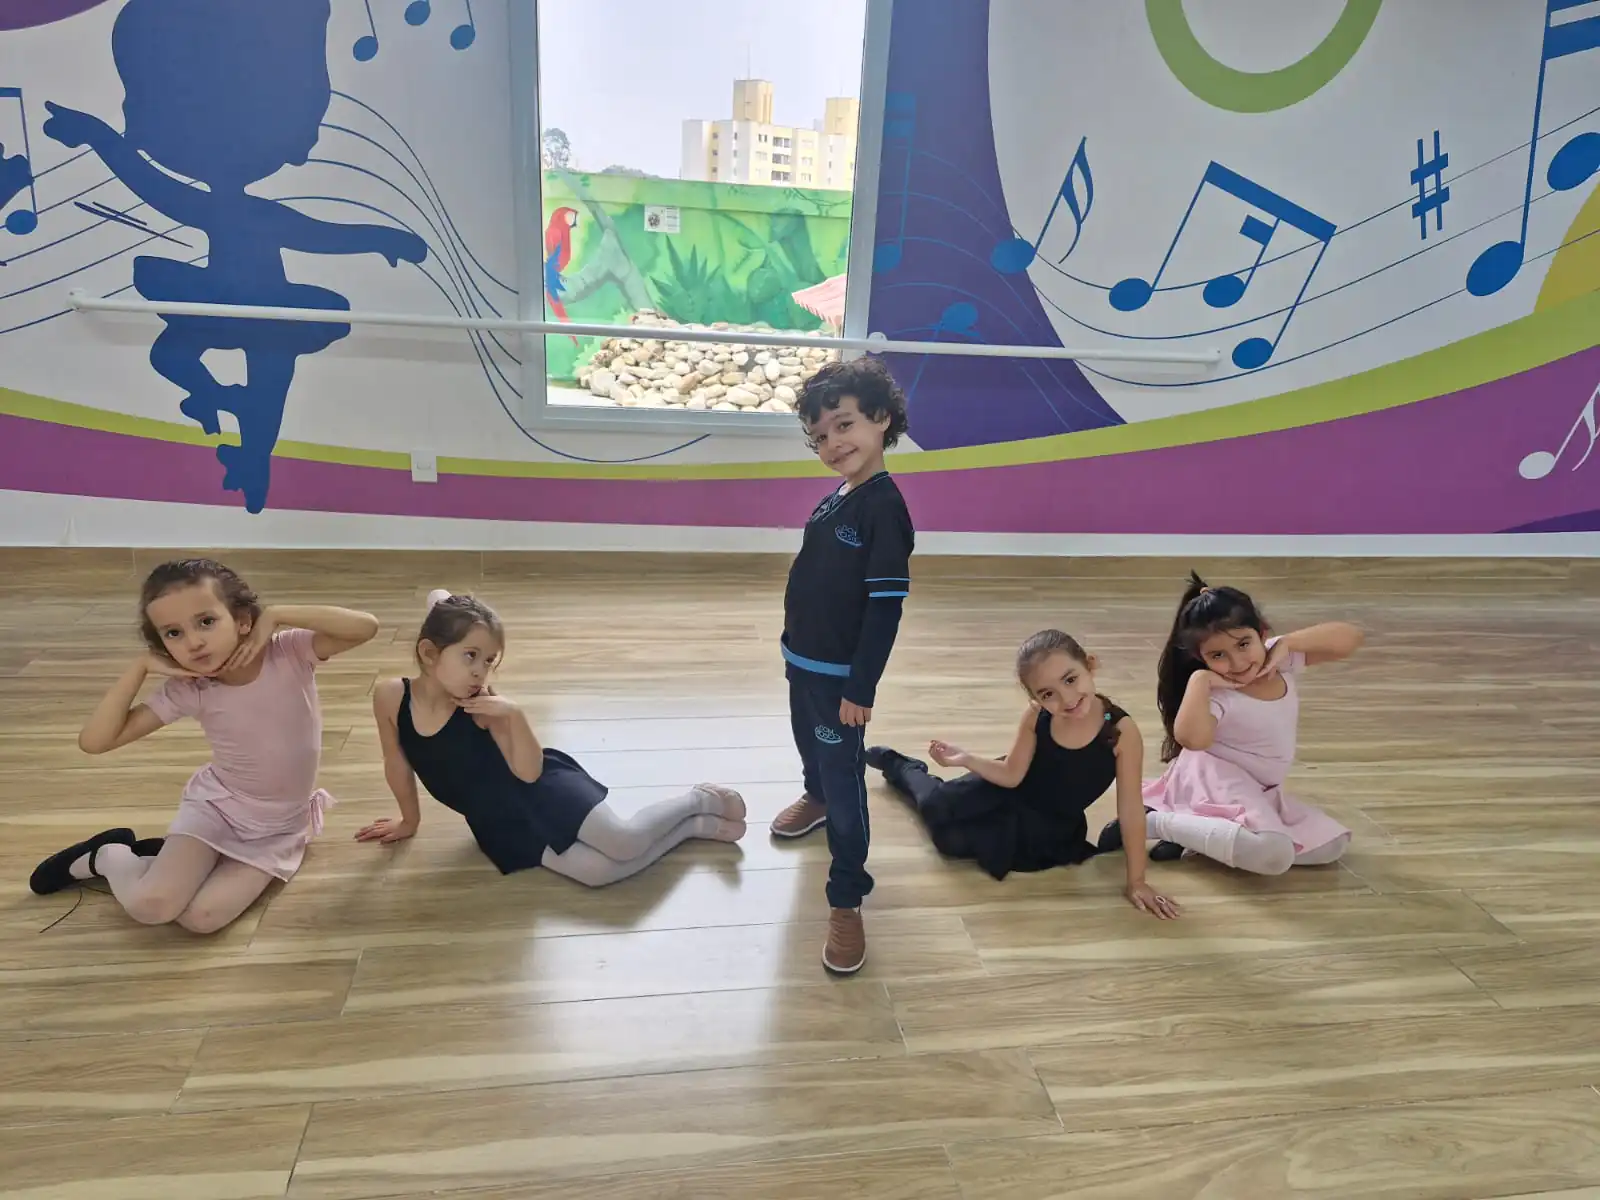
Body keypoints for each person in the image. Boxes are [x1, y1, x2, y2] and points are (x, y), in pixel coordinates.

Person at [29, 558, 378, 934]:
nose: (193, 642)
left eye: (206, 622)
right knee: (151, 907)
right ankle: (108, 855)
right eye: (173, 633)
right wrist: (140, 667)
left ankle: (169, 863)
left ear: (242, 620)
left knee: (200, 919)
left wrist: (276, 614)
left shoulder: (288, 652)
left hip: (278, 829)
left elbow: (366, 627)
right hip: (217, 809)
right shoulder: (190, 689)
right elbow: (95, 741)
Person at [359, 590, 747, 885]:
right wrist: (409, 821)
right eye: (470, 656)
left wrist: (514, 715)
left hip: (544, 788)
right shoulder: (391, 697)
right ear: (429, 654)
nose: (480, 672)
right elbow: (396, 761)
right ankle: (694, 828)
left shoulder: (482, 708)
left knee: (624, 841)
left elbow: (529, 773)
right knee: (597, 874)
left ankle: (699, 799)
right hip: (497, 819)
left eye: (489, 661)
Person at [768, 356, 915, 974]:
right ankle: (815, 795)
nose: (833, 444)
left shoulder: (886, 509)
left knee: (846, 776)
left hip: (840, 680)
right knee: (808, 743)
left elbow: (885, 609)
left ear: (881, 420)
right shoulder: (841, 495)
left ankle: (847, 897)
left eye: (845, 425)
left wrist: (861, 686)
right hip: (802, 661)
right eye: (820, 436)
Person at [867, 630, 1180, 919]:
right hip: (1007, 788)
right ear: (1036, 699)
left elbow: (1131, 810)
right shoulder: (1036, 716)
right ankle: (905, 768)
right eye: (1048, 694)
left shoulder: (1121, 733)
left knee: (949, 842)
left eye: (1070, 680)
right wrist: (966, 759)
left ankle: (921, 781)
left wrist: (1137, 881)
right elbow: (1011, 774)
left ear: (1090, 665)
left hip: (1049, 825)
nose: (1066, 699)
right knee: (935, 806)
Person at [1114, 571, 1362, 875]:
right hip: (1215, 781)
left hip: (1260, 788)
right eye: (1218, 655)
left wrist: (1288, 642)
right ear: (1201, 657)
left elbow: (1350, 638)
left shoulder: (1278, 660)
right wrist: (1200, 680)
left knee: (1331, 845)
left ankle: (1204, 834)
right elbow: (1193, 740)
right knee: (1275, 855)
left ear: (1262, 633)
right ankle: (1152, 822)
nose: (1237, 663)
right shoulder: (1217, 692)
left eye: (1244, 644)